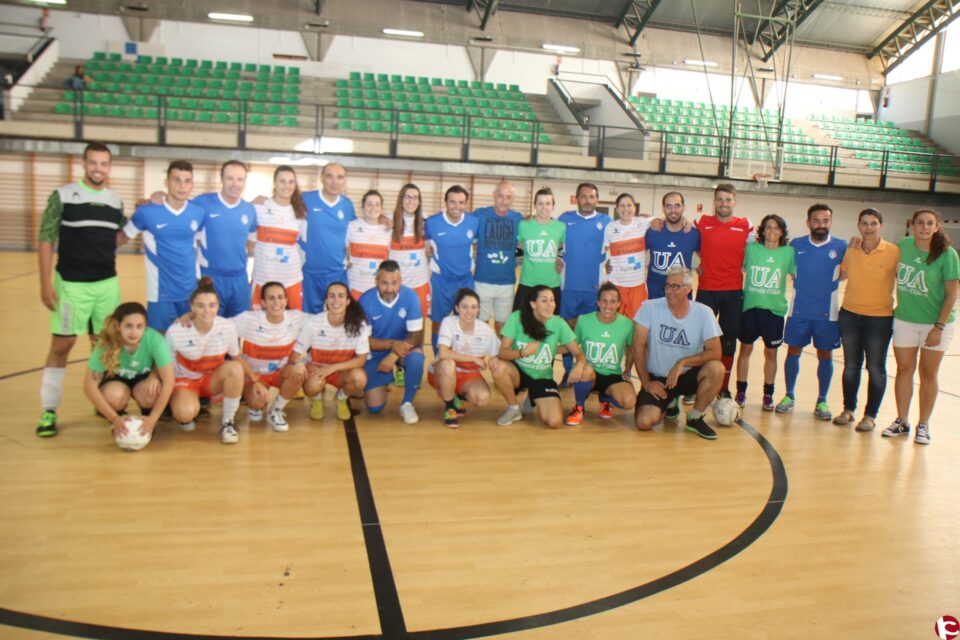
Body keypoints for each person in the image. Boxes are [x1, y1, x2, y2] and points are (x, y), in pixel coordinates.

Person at [36, 142, 126, 437]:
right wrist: (45, 283)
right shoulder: (62, 196)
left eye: (103, 163)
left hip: (106, 285)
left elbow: (119, 236)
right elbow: (47, 238)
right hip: (71, 286)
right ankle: (49, 410)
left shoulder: (115, 201)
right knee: (62, 346)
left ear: (109, 167)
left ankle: (104, 401)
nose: (98, 168)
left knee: (105, 347)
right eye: (93, 162)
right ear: (84, 164)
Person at [882, 209, 959, 445]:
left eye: (929, 223)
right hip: (905, 319)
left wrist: (938, 326)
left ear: (937, 227)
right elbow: (878, 251)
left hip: (936, 323)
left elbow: (952, 293)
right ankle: (901, 420)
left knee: (928, 373)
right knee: (904, 370)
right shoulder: (902, 246)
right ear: (912, 225)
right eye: (920, 223)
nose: (924, 227)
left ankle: (923, 424)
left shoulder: (947, 255)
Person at [632, 266, 724, 439]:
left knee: (716, 369)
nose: (670, 291)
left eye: (676, 286)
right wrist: (645, 382)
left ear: (689, 289)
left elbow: (716, 352)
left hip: (688, 375)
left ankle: (695, 418)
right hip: (659, 379)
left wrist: (682, 362)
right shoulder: (649, 308)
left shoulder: (704, 313)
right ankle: (669, 404)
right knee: (644, 422)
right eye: (667, 286)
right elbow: (637, 347)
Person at [776, 204, 846, 420]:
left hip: (827, 313)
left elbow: (846, 272)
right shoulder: (796, 245)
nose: (821, 225)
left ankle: (822, 400)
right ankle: (789, 396)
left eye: (825, 221)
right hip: (799, 311)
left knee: (825, 354)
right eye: (816, 221)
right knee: (793, 351)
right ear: (808, 223)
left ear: (831, 223)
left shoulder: (842, 246)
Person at [834, 208, 899, 432]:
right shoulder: (851, 249)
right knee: (851, 365)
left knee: (876, 367)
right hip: (850, 314)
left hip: (879, 318)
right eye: (864, 223)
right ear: (858, 225)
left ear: (881, 225)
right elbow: (840, 275)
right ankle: (848, 409)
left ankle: (870, 415)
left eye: (873, 223)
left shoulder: (893, 252)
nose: (868, 228)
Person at [123, 160, 206, 332]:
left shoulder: (198, 212)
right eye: (176, 180)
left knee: (189, 342)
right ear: (167, 183)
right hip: (160, 294)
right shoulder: (146, 212)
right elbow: (122, 237)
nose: (182, 186)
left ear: (192, 185)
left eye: (187, 181)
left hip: (190, 291)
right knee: (159, 344)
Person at [492, 285, 590, 429]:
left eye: (552, 300)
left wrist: (579, 365)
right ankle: (514, 408)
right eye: (544, 301)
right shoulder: (517, 318)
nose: (550, 305)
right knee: (498, 368)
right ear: (533, 304)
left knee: (555, 422)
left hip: (543, 377)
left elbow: (578, 353)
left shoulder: (558, 323)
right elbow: (502, 352)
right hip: (519, 372)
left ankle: (532, 398)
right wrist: (522, 353)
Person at [165, 277, 244, 444]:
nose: (207, 310)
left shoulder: (228, 326)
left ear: (218, 306)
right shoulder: (176, 330)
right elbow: (164, 365)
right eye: (200, 306)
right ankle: (191, 404)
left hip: (211, 380)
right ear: (191, 307)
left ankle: (228, 422)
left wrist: (255, 380)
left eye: (212, 305)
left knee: (235, 368)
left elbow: (237, 358)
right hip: (186, 381)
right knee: (185, 414)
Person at [83, 302, 175, 444]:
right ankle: (119, 421)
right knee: (113, 396)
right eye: (128, 326)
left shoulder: (155, 340)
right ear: (118, 326)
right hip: (116, 379)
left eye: (139, 326)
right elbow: (89, 386)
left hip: (142, 378)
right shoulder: (106, 343)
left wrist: (153, 419)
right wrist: (114, 418)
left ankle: (146, 418)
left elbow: (169, 382)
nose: (134, 332)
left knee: (152, 393)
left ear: (146, 327)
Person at [695, 184, 752, 398]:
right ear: (714, 202)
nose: (724, 204)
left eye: (728, 200)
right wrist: (695, 264)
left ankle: (723, 387)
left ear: (734, 202)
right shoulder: (702, 223)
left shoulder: (746, 226)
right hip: (707, 289)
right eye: (720, 199)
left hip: (732, 291)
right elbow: (689, 243)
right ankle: (696, 384)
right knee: (701, 340)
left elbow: (766, 244)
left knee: (728, 341)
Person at [734, 214, 794, 411]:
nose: (772, 231)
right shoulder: (751, 249)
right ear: (762, 230)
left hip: (774, 312)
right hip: (750, 308)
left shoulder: (789, 252)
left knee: (771, 353)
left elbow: (798, 274)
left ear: (782, 232)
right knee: (745, 350)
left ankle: (768, 393)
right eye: (768, 227)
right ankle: (740, 391)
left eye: (776, 228)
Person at [289, 282, 370, 422]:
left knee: (360, 379)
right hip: (317, 369)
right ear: (326, 301)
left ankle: (341, 399)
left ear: (348, 301)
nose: (336, 301)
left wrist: (333, 367)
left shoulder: (359, 324)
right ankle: (316, 400)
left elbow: (361, 360)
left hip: (343, 371)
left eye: (341, 296)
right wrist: (299, 363)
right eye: (332, 296)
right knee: (312, 385)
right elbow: (295, 354)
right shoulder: (314, 322)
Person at [233, 282, 306, 432]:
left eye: (280, 297)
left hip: (281, 372)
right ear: (263, 303)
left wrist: (299, 360)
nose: (276, 302)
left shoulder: (296, 317)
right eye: (271, 298)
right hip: (255, 376)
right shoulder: (247, 319)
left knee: (299, 370)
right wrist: (191, 315)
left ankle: (276, 410)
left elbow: (325, 322)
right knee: (256, 403)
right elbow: (218, 326)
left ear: (286, 301)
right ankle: (257, 405)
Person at [358, 261, 425, 424]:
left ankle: (407, 403)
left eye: (394, 283)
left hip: (403, 350)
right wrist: (391, 345)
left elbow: (416, 336)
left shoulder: (411, 298)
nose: (389, 289)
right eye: (384, 283)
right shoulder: (365, 301)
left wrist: (393, 355)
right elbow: (364, 341)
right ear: (376, 281)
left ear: (400, 281)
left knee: (417, 358)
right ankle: (385, 379)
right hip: (376, 353)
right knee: (375, 408)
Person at [558, 183, 610, 382]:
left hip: (594, 289)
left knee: (590, 334)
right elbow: (550, 238)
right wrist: (556, 258)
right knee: (569, 334)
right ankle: (568, 372)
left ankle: (589, 374)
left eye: (592, 197)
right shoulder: (564, 219)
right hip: (569, 287)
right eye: (584, 196)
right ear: (576, 198)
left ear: (597, 199)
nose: (588, 200)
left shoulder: (606, 221)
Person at [431, 288, 503, 428]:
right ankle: (450, 407)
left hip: (468, 375)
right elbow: (444, 353)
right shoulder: (448, 322)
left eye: (473, 307)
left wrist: (494, 360)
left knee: (483, 399)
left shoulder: (485, 330)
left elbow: (497, 353)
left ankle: (457, 396)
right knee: (448, 364)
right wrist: (473, 359)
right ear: (457, 308)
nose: (469, 311)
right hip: (442, 372)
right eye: (464, 307)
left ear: (479, 309)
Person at [194, 160, 258, 317]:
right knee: (210, 327)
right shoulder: (202, 203)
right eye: (230, 178)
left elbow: (252, 244)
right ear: (221, 179)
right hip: (211, 277)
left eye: (239, 179)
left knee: (237, 328)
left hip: (240, 279)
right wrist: (158, 197)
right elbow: (178, 208)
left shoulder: (249, 210)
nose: (235, 184)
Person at [566, 283, 637, 425]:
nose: (608, 306)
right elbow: (572, 346)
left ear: (618, 304)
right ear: (598, 302)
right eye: (604, 301)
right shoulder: (584, 320)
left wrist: (627, 370)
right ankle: (579, 406)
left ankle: (604, 399)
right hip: (589, 372)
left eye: (612, 302)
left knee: (629, 402)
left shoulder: (627, 325)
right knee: (585, 371)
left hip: (612, 375)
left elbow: (632, 349)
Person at [425, 185, 479, 353]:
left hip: (465, 281)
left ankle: (460, 360)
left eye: (461, 203)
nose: (457, 207)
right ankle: (437, 360)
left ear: (466, 204)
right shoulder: (432, 222)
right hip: (440, 281)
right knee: (438, 324)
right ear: (446, 202)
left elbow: (475, 246)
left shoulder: (473, 222)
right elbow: (424, 244)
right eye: (453, 202)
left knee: (465, 323)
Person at [300, 163, 355, 313]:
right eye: (329, 176)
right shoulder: (306, 199)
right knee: (309, 321)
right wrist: (263, 200)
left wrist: (382, 217)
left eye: (339, 177)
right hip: (310, 273)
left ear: (345, 181)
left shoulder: (347, 205)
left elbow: (356, 230)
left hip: (337, 273)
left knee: (339, 320)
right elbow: (282, 204)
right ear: (322, 178)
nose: (334, 181)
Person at [471, 180, 524, 333]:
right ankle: (481, 357)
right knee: (481, 326)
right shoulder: (480, 215)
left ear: (513, 199)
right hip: (482, 281)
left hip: (506, 283)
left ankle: (500, 357)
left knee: (502, 327)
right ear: (494, 196)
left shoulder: (518, 219)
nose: (504, 201)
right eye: (500, 196)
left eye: (508, 197)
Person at [251, 165, 306, 310]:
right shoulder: (259, 206)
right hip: (262, 278)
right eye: (282, 181)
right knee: (257, 326)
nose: (286, 186)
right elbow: (248, 241)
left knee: (294, 326)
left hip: (291, 279)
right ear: (274, 183)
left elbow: (302, 247)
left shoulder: (300, 213)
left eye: (291, 182)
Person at [603, 193, 652, 319]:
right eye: (622, 206)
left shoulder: (644, 223)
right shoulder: (610, 227)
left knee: (636, 323)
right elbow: (603, 250)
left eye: (629, 205)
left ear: (634, 208)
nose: (626, 209)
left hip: (638, 285)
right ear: (617, 209)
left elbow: (662, 220)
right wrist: (605, 264)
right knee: (615, 321)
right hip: (616, 284)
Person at [514, 187, 565, 310]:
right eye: (540, 203)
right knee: (521, 321)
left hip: (552, 284)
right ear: (535, 205)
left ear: (553, 206)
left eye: (548, 203)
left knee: (549, 325)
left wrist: (559, 261)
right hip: (527, 283)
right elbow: (518, 251)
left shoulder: (561, 227)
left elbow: (561, 250)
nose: (544, 207)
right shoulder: (523, 225)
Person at [645, 191, 699, 300]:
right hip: (655, 297)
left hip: (682, 298)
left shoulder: (693, 234)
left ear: (683, 207)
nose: (673, 210)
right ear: (663, 208)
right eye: (668, 206)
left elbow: (706, 255)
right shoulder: (652, 232)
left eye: (677, 206)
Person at [389, 183, 431, 320]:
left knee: (419, 325)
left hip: (420, 283)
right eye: (407, 197)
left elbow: (432, 248)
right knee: (396, 325)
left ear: (419, 201)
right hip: (397, 285)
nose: (411, 201)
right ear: (401, 199)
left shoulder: (426, 220)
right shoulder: (389, 220)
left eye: (415, 197)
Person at [346, 190, 392, 300]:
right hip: (355, 287)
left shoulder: (388, 231)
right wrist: (345, 260)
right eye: (369, 204)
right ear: (362, 207)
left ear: (381, 208)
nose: (373, 208)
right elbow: (341, 247)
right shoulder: (351, 226)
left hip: (378, 290)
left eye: (377, 204)